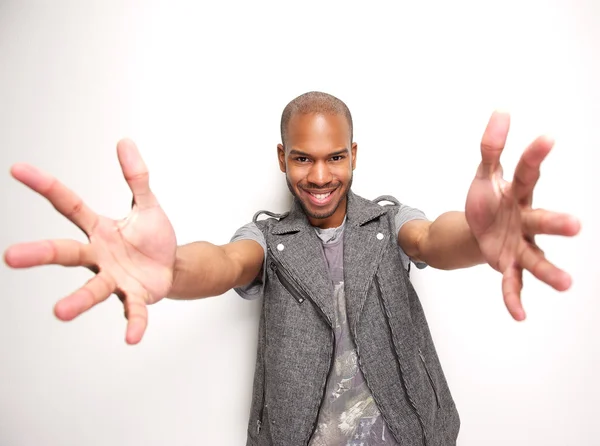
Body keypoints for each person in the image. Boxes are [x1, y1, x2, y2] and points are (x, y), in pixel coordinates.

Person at [4, 92, 580, 445]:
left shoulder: (387, 222)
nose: (320, 175)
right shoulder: (267, 239)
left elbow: (431, 240)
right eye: (303, 158)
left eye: (335, 157)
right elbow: (225, 264)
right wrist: (172, 270)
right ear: (283, 158)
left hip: (410, 434)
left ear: (355, 154)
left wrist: (480, 239)